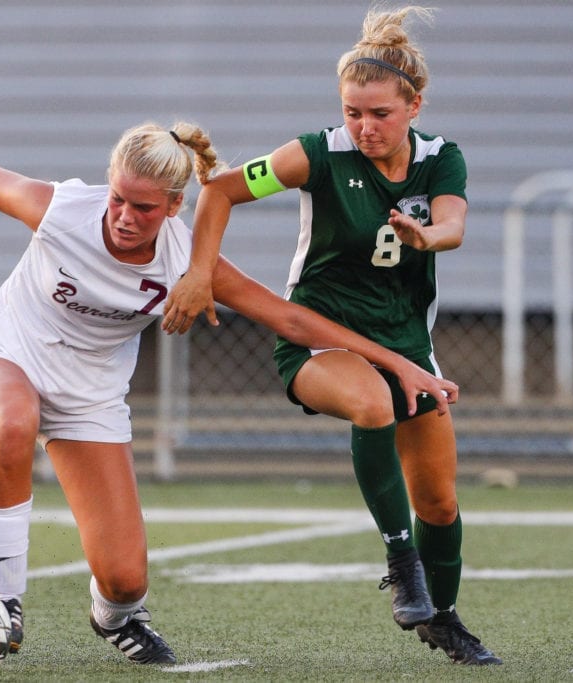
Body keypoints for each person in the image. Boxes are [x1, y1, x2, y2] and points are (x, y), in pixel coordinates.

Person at [0, 121, 457, 667]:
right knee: (15, 421)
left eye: (142, 207)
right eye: (117, 198)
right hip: (6, 356)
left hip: (90, 402)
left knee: (125, 579)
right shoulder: (63, 211)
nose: (122, 216)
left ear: (172, 206)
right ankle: (5, 603)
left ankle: (115, 618)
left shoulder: (188, 261)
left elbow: (293, 321)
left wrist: (399, 365)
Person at [161, 6, 501, 667]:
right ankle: (402, 563)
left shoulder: (440, 160)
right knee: (371, 401)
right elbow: (222, 191)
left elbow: (453, 226)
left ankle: (445, 618)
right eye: (353, 112)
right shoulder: (318, 152)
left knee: (440, 497)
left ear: (414, 106)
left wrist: (424, 235)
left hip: (405, 343)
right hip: (319, 339)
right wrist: (200, 272)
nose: (364, 126)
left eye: (379, 113)